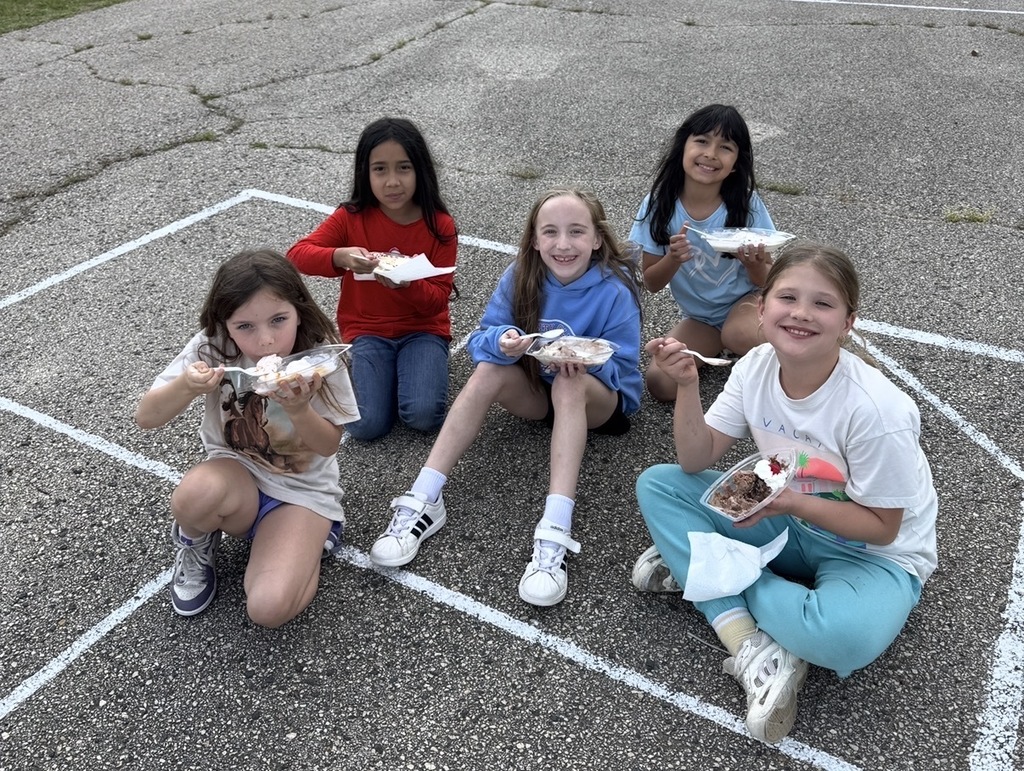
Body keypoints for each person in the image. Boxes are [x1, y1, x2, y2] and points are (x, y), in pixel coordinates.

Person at [631, 241, 938, 744]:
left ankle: (705, 568)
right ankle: (746, 639)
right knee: (660, 484)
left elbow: (884, 528)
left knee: (843, 638)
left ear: (848, 322)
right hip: (790, 516)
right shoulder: (754, 367)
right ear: (762, 307)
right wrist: (687, 385)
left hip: (870, 552)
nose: (801, 313)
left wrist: (790, 503)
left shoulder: (877, 410)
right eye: (788, 298)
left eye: (823, 303)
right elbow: (694, 459)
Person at [369, 188, 643, 607]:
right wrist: (506, 341)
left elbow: (623, 364)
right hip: (539, 394)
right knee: (489, 368)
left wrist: (585, 361)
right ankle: (424, 498)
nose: (563, 244)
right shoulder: (520, 274)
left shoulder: (614, 289)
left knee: (569, 382)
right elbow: (481, 339)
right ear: (534, 239)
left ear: (597, 239)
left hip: (597, 401)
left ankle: (555, 530)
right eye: (550, 232)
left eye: (576, 232)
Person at [135, 249, 359, 627]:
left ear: (299, 309)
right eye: (246, 327)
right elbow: (146, 417)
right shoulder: (212, 346)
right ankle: (195, 544)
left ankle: (310, 538)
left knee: (268, 610)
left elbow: (328, 445)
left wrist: (300, 409)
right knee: (193, 495)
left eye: (278, 320)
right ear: (225, 323)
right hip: (237, 477)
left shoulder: (320, 357)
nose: (267, 341)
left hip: (302, 491)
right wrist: (187, 386)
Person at [287, 116, 458, 441]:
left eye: (403, 168)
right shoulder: (351, 217)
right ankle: (381, 374)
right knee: (367, 425)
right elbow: (297, 254)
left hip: (423, 330)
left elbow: (437, 299)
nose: (392, 181)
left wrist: (406, 284)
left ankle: (419, 367)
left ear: (420, 170)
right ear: (365, 173)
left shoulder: (440, 225)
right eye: (380, 169)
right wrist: (339, 256)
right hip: (368, 330)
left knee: (423, 415)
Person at [629, 104, 778, 402]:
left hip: (747, 302)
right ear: (682, 146)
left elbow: (770, 279)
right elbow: (652, 282)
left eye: (725, 147)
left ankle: (816, 358)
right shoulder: (658, 205)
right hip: (701, 318)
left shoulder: (745, 205)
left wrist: (753, 265)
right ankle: (725, 347)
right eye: (702, 141)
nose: (711, 153)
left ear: (736, 162)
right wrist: (673, 258)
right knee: (660, 383)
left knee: (738, 334)